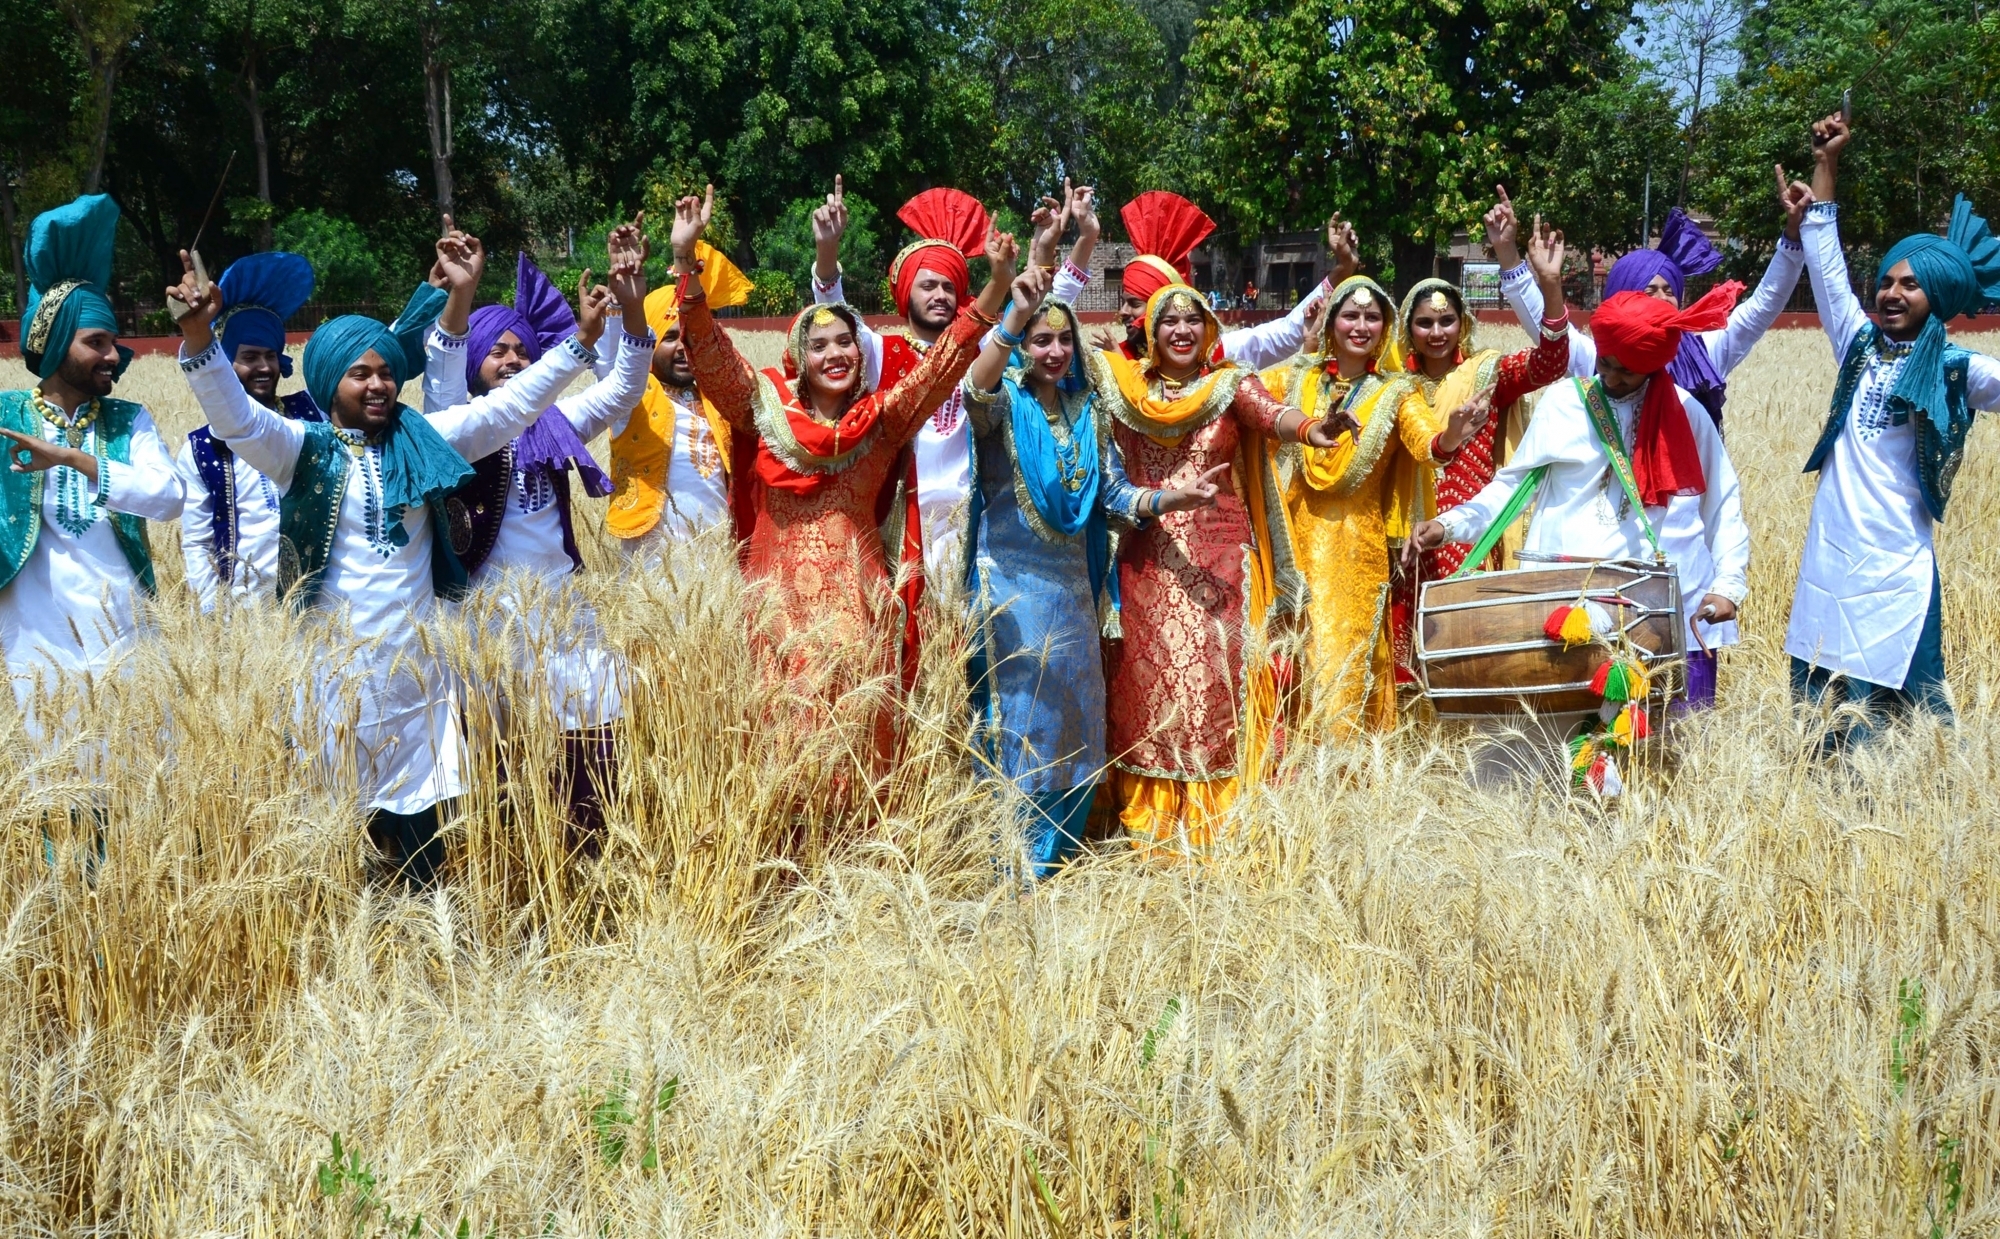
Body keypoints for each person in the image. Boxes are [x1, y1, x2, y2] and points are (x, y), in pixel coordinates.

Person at [168, 234, 601, 887]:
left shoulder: (424, 437)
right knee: (342, 835)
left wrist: (576, 344)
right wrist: (201, 336)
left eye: (386, 371)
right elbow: (237, 422)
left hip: (418, 678)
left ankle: (426, 943)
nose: (379, 384)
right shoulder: (300, 449)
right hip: (334, 679)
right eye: (360, 373)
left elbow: (511, 407)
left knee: (426, 840)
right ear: (327, 382)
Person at [673, 186, 1011, 772]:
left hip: (857, 612)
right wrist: (686, 262)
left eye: (845, 343)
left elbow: (946, 362)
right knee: (780, 742)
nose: (835, 353)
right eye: (819, 344)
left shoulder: (881, 420)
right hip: (776, 612)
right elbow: (708, 350)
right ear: (798, 359)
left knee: (856, 745)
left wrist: (998, 287)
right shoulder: (763, 408)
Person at [1488, 180, 1813, 706]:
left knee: (1677, 713)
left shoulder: (1706, 351)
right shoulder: (1597, 359)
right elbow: (1547, 326)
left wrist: (1793, 239)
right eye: (1648, 291)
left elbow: (1764, 307)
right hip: (1604, 556)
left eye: (1670, 290)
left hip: (1682, 535)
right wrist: (1512, 258)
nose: (1662, 300)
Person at [1407, 284, 1752, 732]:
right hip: (1563, 606)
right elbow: (1510, 490)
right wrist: (1448, 525)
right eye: (1604, 362)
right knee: (1555, 750)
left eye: (1626, 371)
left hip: (1648, 613)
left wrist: (1728, 585)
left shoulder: (1687, 414)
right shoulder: (1565, 403)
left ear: (1654, 365)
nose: (1609, 376)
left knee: (1655, 750)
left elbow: (1723, 504)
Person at [1097, 279, 1351, 854]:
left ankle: (1221, 821)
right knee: (1149, 691)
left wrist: (1316, 430)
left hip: (1220, 563)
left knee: (1214, 689)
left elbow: (1274, 416)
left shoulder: (1228, 384)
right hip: (1148, 565)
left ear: (1208, 328)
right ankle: (1150, 827)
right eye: (1169, 321)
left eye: (1193, 320)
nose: (1181, 331)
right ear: (1151, 332)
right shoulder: (1125, 391)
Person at [422, 231, 654, 854]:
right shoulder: (457, 429)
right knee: (498, 754)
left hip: (563, 612)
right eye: (496, 350)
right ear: (473, 361)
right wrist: (460, 295)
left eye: (522, 350)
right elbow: (439, 385)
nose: (513, 360)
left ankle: (583, 855)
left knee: (592, 738)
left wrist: (630, 309)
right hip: (487, 619)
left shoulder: (557, 423)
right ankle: (511, 860)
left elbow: (623, 389)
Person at [1786, 114, 2000, 749]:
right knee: (1820, 711)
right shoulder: (1855, 344)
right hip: (1831, 552)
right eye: (1885, 280)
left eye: (1910, 284)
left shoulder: (1962, 371)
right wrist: (1827, 164)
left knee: (1908, 725)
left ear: (1938, 295)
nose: (1891, 292)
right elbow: (1825, 267)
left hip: (1898, 565)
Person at [1255, 274, 1490, 737]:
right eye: (1351, 315)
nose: (1361, 325)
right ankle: (1289, 765)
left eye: (1372, 316)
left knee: (1341, 652)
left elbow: (1426, 443)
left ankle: (1341, 765)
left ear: (1386, 327)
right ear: (1331, 323)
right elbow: (1248, 402)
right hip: (1293, 540)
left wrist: (1452, 436)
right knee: (1290, 651)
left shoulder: (1397, 391)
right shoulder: (1294, 375)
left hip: (1355, 549)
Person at [1, 194, 184, 722]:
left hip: (127, 641)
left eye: (113, 341)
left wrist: (71, 457)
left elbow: (169, 498)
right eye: (95, 341)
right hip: (32, 647)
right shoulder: (6, 419)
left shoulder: (130, 420)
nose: (112, 356)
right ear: (56, 346)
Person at [1385, 217, 1573, 683]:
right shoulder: (1391, 389)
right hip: (1400, 539)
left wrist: (1550, 292)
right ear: (1409, 329)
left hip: (1466, 536)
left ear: (1462, 323)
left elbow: (1551, 364)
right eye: (1425, 323)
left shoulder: (1486, 375)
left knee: (1466, 655)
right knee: (1403, 658)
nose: (1436, 332)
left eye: (1446, 320)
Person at [176, 250, 322, 608]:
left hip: (324, 601)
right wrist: (214, 619)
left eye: (271, 355)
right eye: (250, 357)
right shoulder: (201, 449)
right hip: (248, 616)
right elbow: (198, 544)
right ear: (224, 361)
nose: (264, 367)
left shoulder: (312, 414)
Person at [607, 239, 754, 557]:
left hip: (716, 568)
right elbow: (610, 363)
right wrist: (622, 304)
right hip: (652, 575)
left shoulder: (718, 403)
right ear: (648, 343)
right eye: (670, 337)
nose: (683, 347)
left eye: (690, 337)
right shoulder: (630, 399)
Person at [1107, 192, 1354, 367]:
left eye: (1134, 303)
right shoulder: (1113, 361)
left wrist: (1342, 269)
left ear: (1159, 310)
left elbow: (1285, 333)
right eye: (1124, 302)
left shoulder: (1218, 354)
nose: (1123, 312)